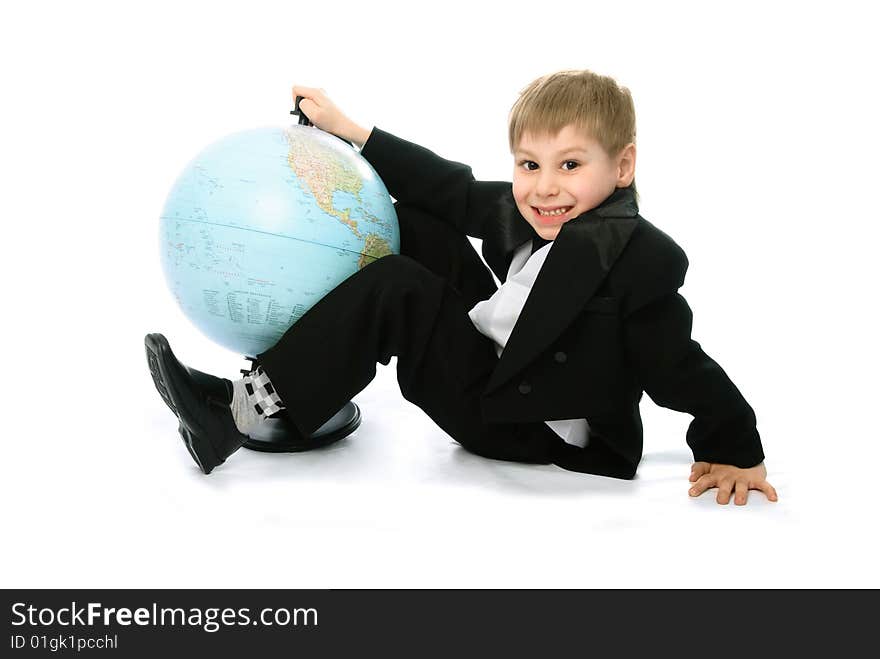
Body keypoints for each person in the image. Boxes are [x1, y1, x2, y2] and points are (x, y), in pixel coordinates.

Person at [146, 69, 778, 505]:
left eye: (570, 165)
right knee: (417, 225)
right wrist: (351, 132)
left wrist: (734, 446)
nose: (544, 187)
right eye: (529, 165)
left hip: (523, 421)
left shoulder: (636, 260)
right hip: (501, 361)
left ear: (623, 166)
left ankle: (236, 415)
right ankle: (301, 383)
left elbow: (679, 365)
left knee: (399, 286)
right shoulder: (547, 213)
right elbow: (450, 190)